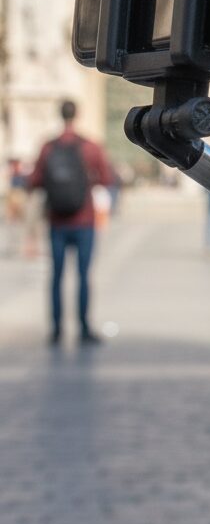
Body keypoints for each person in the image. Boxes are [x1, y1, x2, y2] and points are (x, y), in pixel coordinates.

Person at [29, 99, 115, 345]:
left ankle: (56, 330)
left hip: (57, 220)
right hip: (84, 220)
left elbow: (34, 180)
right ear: (77, 115)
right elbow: (107, 178)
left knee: (56, 276)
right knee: (83, 275)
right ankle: (84, 327)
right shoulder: (90, 146)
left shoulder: (48, 147)